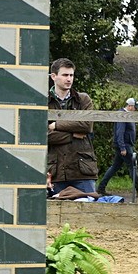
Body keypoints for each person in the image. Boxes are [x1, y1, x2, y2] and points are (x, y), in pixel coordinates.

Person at [47, 58, 98, 195]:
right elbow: (42, 135)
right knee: (53, 214)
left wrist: (56, 125)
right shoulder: (44, 101)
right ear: (54, 76)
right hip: (55, 170)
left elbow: (86, 125)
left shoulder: (83, 100)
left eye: (71, 75)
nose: (69, 79)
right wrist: (73, 134)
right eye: (65, 75)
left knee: (89, 212)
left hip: (82, 170)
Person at [97, 98, 138, 196]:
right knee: (132, 167)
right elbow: (120, 132)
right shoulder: (122, 115)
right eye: (135, 107)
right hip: (125, 145)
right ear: (130, 106)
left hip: (125, 144)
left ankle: (101, 187)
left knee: (115, 167)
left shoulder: (128, 115)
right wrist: (122, 147)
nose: (136, 110)